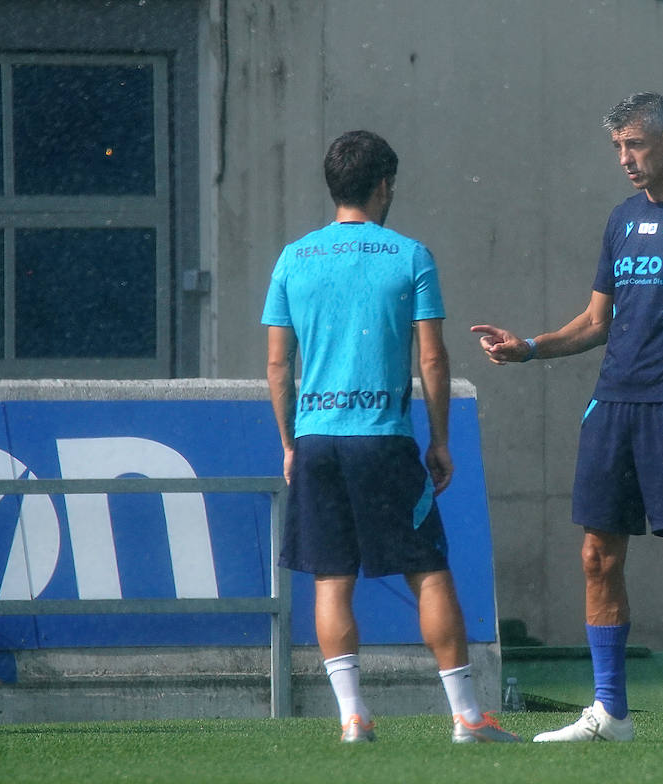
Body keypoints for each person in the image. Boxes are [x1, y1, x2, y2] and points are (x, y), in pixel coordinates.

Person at [471, 93, 663, 743]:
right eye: (616, 149)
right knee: (597, 556)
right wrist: (530, 347)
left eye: (633, 145)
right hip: (612, 408)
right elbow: (596, 321)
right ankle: (610, 714)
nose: (624, 160)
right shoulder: (621, 221)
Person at [263, 130, 519, 744]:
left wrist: (291, 443)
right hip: (381, 437)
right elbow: (432, 360)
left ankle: (353, 716)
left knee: (331, 578)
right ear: (384, 186)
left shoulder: (293, 258)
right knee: (427, 571)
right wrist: (439, 439)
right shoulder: (410, 256)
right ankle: (466, 716)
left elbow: (277, 366)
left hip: (318, 438)